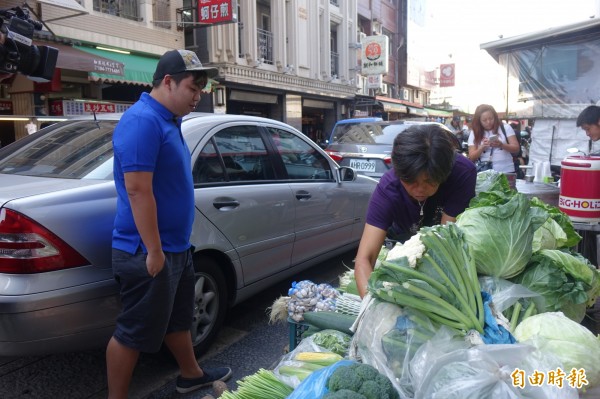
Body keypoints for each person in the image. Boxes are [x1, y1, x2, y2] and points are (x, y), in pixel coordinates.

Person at [108, 49, 231, 398]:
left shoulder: (167, 119)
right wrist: (154, 250)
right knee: (132, 332)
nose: (198, 96)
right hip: (147, 250)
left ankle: (191, 374)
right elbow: (137, 190)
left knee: (178, 318)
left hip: (174, 247)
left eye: (201, 90)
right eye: (193, 88)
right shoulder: (142, 121)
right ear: (167, 82)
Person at [353, 124, 477, 298]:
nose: (420, 190)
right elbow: (364, 259)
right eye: (410, 181)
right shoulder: (389, 189)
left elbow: (446, 242)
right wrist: (371, 307)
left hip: (444, 235)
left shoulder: (462, 173)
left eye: (430, 182)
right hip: (406, 232)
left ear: (444, 174)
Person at [467, 104, 520, 173]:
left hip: (507, 170)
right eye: (484, 120)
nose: (488, 122)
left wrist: (502, 145)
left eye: (491, 118)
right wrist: (482, 147)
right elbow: (471, 157)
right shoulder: (474, 132)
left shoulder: (505, 127)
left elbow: (516, 148)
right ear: (479, 121)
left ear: (495, 117)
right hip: (485, 173)